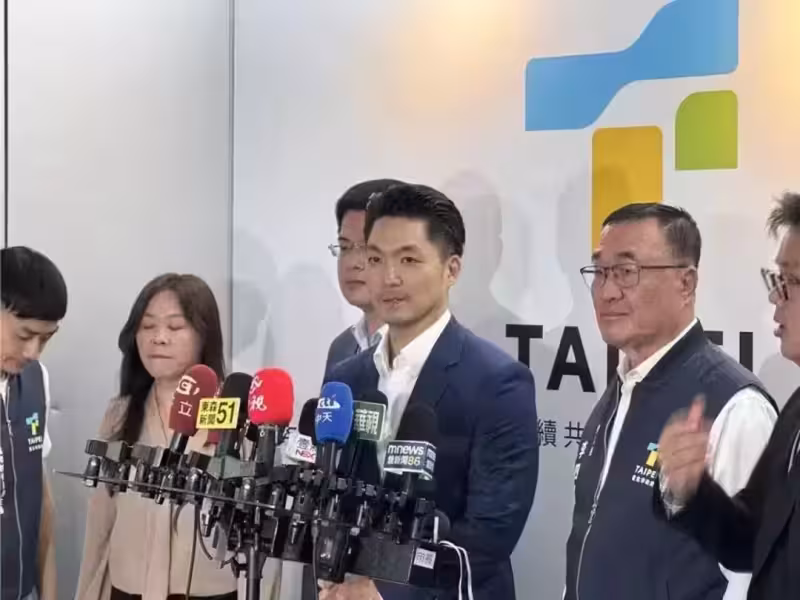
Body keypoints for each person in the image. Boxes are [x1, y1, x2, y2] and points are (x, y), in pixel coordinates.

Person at [319, 183, 539, 600]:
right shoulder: (346, 379)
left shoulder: (498, 382)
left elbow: (490, 534)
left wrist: (384, 591)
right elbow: (330, 494)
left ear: (451, 269)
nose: (389, 277)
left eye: (408, 259)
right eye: (376, 259)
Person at [564, 203, 777, 600]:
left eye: (626, 271)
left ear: (686, 283)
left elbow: (750, 575)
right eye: (600, 271)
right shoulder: (621, 388)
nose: (607, 291)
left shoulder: (736, 407)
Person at [655, 191, 800, 599]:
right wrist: (692, 489)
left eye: (790, 281)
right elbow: (751, 540)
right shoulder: (795, 410)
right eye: (776, 279)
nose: (775, 297)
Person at [75, 274, 243, 600]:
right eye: (148, 326)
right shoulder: (120, 413)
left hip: (209, 593)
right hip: (128, 588)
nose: (159, 338)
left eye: (175, 327)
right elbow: (100, 519)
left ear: (204, 334)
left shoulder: (234, 413)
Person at [0, 246, 67, 600]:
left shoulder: (37, 379)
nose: (33, 352)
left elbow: (40, 501)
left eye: (46, 338)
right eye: (24, 336)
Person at [325, 179, 404, 372]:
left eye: (367, 248)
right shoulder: (342, 349)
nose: (353, 262)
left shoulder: (427, 349)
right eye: (345, 247)